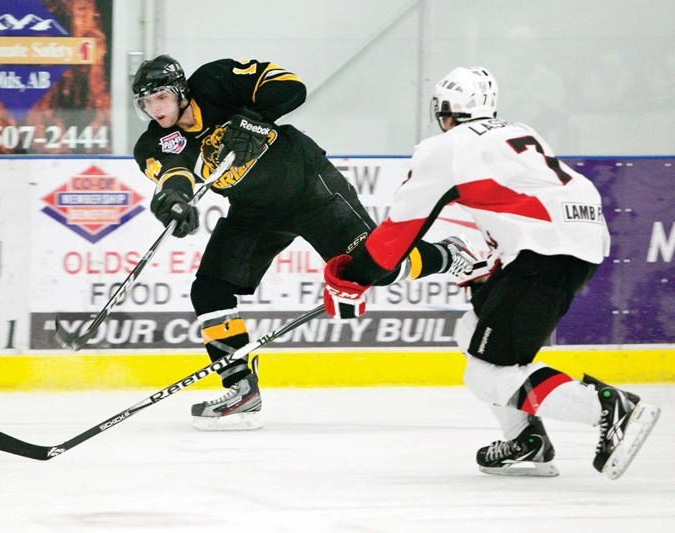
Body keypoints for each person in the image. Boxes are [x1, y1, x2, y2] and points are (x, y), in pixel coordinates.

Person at [322, 66, 661, 479]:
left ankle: (610, 408)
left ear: (445, 111)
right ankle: (525, 441)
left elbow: (398, 232)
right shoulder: (516, 132)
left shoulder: (446, 148)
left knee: (488, 375)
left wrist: (355, 278)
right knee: (472, 331)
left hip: (544, 250)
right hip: (568, 242)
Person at [131, 55, 477, 431]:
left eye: (160, 97)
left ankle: (448, 254)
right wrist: (175, 201)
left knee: (377, 269)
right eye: (146, 102)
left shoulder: (216, 80)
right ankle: (241, 390)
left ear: (181, 91)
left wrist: (253, 119)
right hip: (254, 211)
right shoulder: (154, 140)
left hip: (310, 189)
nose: (154, 109)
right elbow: (172, 173)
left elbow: (290, 86)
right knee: (211, 290)